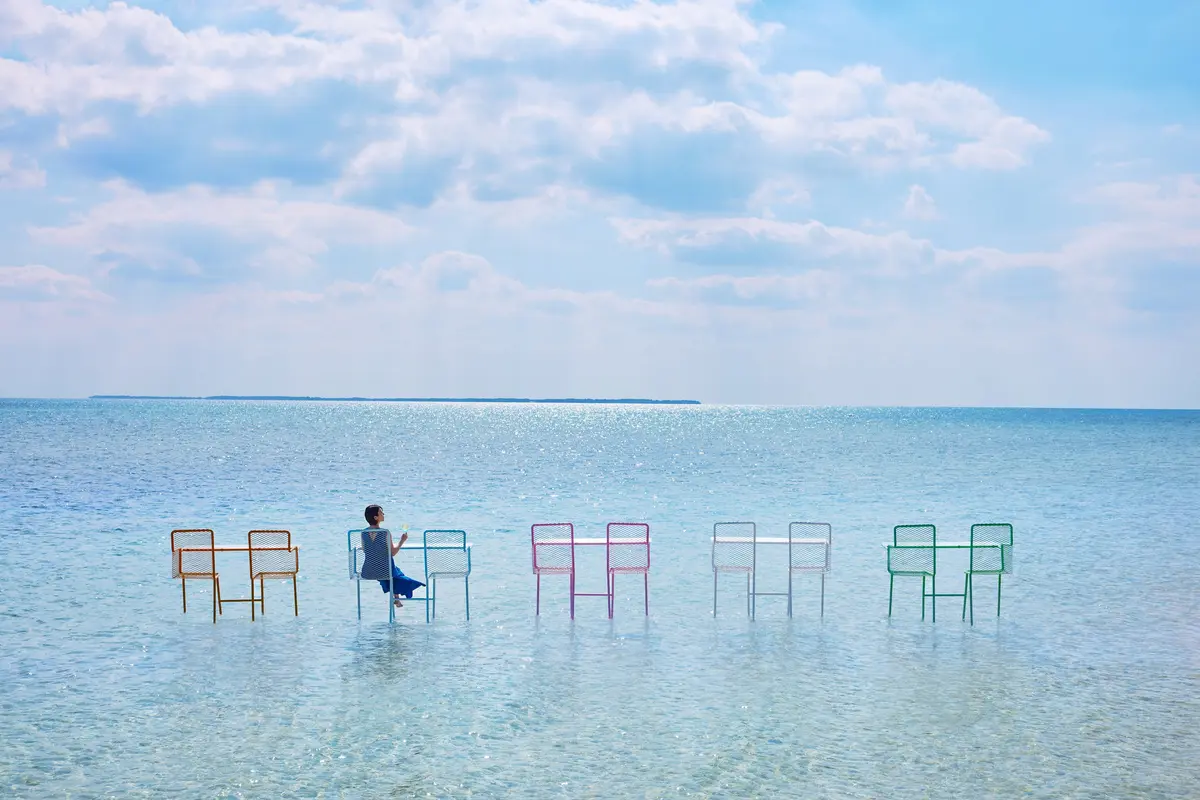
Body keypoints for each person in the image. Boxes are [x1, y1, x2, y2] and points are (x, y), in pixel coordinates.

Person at [362, 504, 425, 608]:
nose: (383, 514)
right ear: (376, 517)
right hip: (385, 571)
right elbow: (393, 552)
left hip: (368, 571)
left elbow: (365, 550)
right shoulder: (384, 532)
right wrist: (402, 541)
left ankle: (396, 598)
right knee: (393, 573)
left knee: (392, 570)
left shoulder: (363, 533)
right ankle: (397, 597)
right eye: (381, 512)